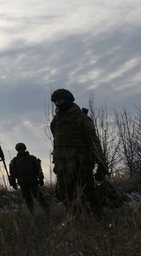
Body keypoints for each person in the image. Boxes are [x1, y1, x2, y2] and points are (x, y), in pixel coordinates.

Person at [49, 88, 108, 218]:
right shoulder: (56, 121)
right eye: (56, 101)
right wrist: (56, 162)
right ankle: (75, 221)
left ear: (68, 100)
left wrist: (101, 163)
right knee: (67, 195)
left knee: (88, 192)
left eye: (61, 100)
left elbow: (93, 142)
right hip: (63, 165)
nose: (58, 103)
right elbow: (56, 142)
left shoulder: (81, 118)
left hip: (82, 162)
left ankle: (98, 219)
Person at [8, 142, 49, 214]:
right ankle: (33, 214)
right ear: (17, 150)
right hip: (23, 182)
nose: (21, 150)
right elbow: (12, 173)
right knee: (28, 200)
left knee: (39, 197)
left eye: (22, 149)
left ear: (24, 149)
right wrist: (13, 183)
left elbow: (38, 169)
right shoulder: (14, 161)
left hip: (32, 181)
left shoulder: (32, 158)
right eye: (19, 149)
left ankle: (48, 212)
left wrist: (41, 178)